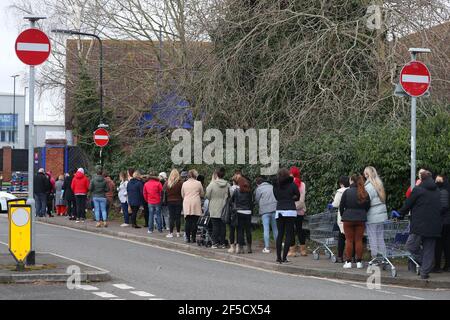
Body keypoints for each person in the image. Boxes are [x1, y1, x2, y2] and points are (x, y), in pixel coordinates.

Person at [398, 170, 442, 279]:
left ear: (421, 179)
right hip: (434, 225)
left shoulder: (418, 190)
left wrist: (400, 214)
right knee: (429, 248)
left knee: (410, 246)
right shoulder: (438, 191)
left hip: (419, 224)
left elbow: (408, 204)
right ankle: (425, 270)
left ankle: (424, 262)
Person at [339, 174, 370, 269]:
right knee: (358, 240)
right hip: (360, 218)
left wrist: (343, 214)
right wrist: (362, 213)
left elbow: (341, 206)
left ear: (351, 181)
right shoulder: (364, 192)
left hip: (348, 218)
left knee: (348, 240)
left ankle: (348, 262)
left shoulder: (347, 192)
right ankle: (359, 262)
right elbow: (368, 206)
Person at [273, 168, 300, 263]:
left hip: (279, 210)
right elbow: (298, 196)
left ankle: (278, 257)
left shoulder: (276, 185)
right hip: (290, 211)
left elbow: (276, 197)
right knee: (289, 234)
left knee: (280, 233)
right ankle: (284, 257)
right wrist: (291, 198)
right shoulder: (292, 184)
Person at [364, 166, 388, 261]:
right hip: (381, 216)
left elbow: (366, 202)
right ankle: (384, 257)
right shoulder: (379, 183)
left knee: (372, 238)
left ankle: (375, 258)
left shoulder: (368, 187)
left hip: (372, 216)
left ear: (366, 174)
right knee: (380, 237)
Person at [206, 167, 230, 249]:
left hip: (214, 207)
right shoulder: (227, 184)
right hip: (224, 208)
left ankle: (215, 243)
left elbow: (207, 195)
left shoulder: (212, 184)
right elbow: (231, 194)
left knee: (215, 226)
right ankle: (223, 243)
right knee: (223, 226)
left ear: (216, 175)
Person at [255, 176, 278, 254]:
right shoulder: (272, 186)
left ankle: (267, 248)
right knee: (275, 228)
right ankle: (278, 246)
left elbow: (257, 199)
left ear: (258, 184)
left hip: (265, 211)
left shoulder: (259, 189)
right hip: (274, 209)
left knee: (266, 229)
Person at [181, 169, 204, 243]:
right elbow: (202, 194)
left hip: (187, 202)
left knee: (188, 220)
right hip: (196, 202)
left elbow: (182, 194)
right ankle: (193, 237)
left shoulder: (185, 183)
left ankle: (187, 237)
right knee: (195, 221)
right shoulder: (198, 183)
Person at [289, 166, 307, 257]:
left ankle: (292, 251)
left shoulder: (289, 183)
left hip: (291, 210)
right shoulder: (302, 184)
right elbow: (302, 198)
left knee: (291, 230)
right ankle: (303, 250)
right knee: (300, 229)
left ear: (291, 174)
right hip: (300, 210)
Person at [332, 176, 350, 263]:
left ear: (341, 184)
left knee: (342, 237)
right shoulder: (353, 190)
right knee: (351, 237)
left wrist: (332, 203)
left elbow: (335, 204)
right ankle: (352, 257)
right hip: (352, 215)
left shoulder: (340, 191)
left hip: (343, 216)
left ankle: (340, 256)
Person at [434, 175, 450, 272]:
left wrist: (435, 212)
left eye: (438, 180)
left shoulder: (443, 191)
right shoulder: (445, 190)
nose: (436, 181)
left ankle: (438, 266)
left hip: (443, 222)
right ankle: (447, 265)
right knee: (446, 244)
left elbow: (443, 207)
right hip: (446, 221)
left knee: (439, 245)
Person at [165, 169, 183, 238]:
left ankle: (171, 233)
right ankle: (178, 232)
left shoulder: (167, 183)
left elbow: (164, 192)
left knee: (171, 217)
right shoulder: (180, 183)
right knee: (178, 217)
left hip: (170, 201)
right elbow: (182, 192)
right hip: (178, 201)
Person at [227, 172, 242, 253]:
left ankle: (232, 247)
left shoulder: (231, 189)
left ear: (233, 181)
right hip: (241, 209)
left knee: (232, 229)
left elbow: (229, 200)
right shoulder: (242, 189)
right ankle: (238, 247)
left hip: (232, 210)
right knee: (239, 230)